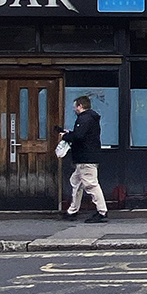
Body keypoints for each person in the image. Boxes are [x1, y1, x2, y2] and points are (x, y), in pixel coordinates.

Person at [56, 95, 109, 223]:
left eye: (75, 106)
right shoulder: (91, 118)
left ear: (80, 106)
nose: (74, 109)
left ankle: (102, 212)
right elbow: (81, 135)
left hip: (86, 158)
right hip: (86, 157)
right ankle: (72, 210)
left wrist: (65, 136)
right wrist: (69, 133)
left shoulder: (84, 118)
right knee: (76, 182)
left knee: (91, 185)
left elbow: (79, 136)